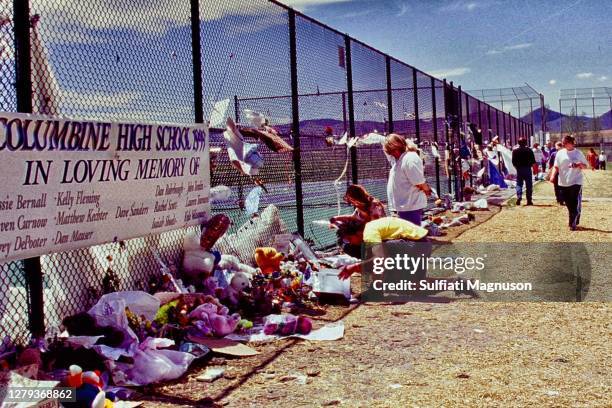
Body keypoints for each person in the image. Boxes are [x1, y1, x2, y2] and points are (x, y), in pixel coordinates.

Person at [335, 218, 476, 297]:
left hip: (413, 246)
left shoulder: (369, 232)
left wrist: (354, 267)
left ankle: (376, 290)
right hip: (421, 245)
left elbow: (380, 260)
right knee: (413, 286)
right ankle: (457, 283)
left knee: (380, 254)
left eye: (348, 239)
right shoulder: (370, 226)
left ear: (355, 233)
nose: (350, 243)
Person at [383, 134, 432, 226]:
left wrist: (427, 190)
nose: (391, 154)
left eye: (393, 150)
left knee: (413, 234)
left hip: (410, 205)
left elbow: (418, 181)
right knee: (410, 233)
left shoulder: (410, 158)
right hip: (404, 206)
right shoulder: (399, 159)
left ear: (398, 147)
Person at [549, 135, 588, 231]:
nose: (563, 144)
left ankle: (572, 221)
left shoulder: (578, 153)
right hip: (563, 182)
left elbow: (585, 166)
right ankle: (574, 214)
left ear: (571, 143)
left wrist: (579, 164)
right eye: (563, 143)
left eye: (565, 142)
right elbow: (556, 166)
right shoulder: (560, 153)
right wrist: (553, 176)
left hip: (576, 181)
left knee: (574, 200)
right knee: (567, 202)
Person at [511, 138, 536, 206]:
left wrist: (517, 168)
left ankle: (519, 197)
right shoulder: (529, 150)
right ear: (526, 143)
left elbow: (513, 162)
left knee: (519, 184)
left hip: (519, 169)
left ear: (518, 143)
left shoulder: (515, 151)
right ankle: (529, 200)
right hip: (527, 169)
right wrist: (534, 170)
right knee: (529, 185)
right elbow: (533, 162)